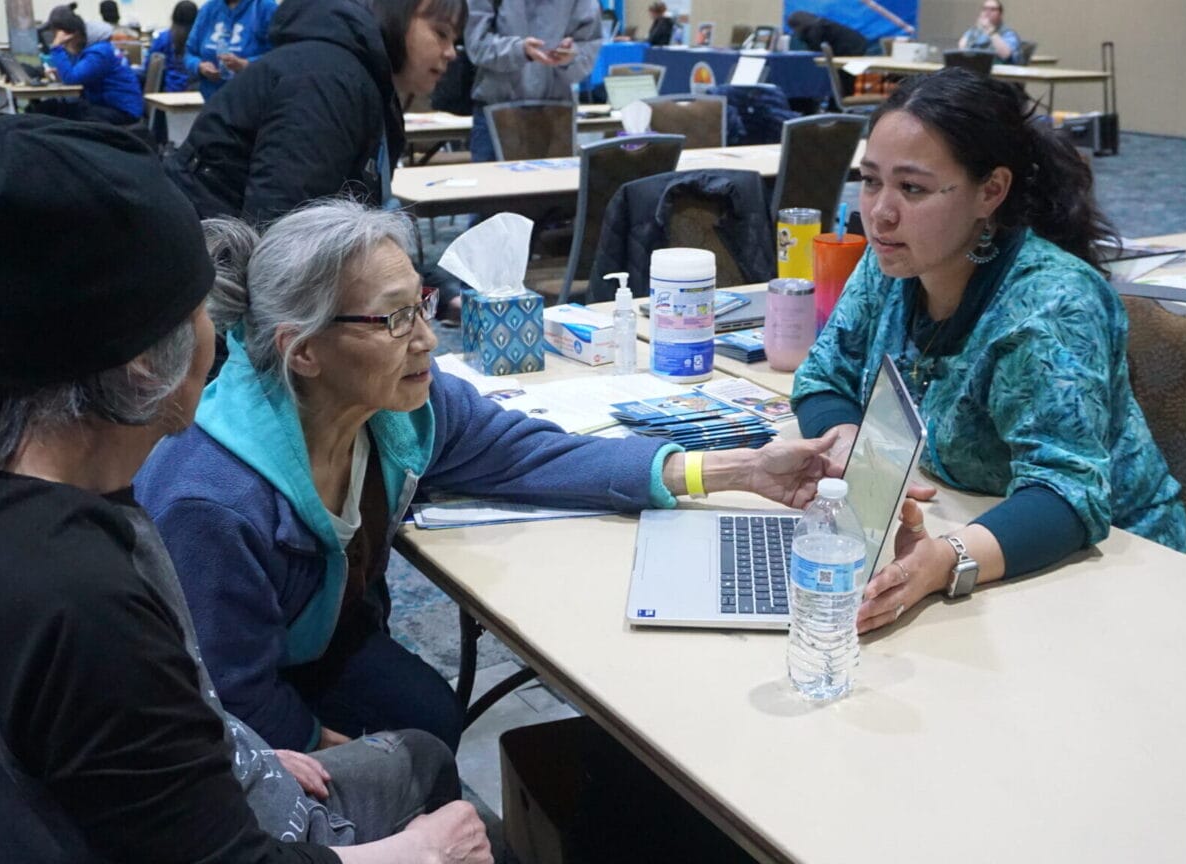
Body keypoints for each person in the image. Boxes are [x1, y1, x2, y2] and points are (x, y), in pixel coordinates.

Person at [0, 115, 490, 864]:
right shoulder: (77, 608)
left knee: (421, 750)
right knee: (449, 808)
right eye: (204, 310)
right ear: (146, 360)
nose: (225, 339)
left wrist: (239, 743)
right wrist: (421, 852)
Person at [133, 199, 839, 754]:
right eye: (396, 318)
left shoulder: (404, 406)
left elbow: (530, 454)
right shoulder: (213, 498)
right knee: (413, 751)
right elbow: (226, 699)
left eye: (424, 305)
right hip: (222, 710)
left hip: (324, 640)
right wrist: (350, 767)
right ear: (304, 351)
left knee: (428, 719)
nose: (428, 339)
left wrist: (739, 469)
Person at [791, 69, 1186, 634]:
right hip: (966, 526)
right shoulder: (897, 261)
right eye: (870, 180)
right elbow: (824, 374)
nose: (879, 212)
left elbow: (1066, 493)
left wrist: (943, 560)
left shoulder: (1051, 305)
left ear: (991, 192)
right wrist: (849, 438)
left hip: (1107, 570)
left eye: (913, 188)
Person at [167, 0, 460, 223]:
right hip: (210, 280)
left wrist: (432, 288)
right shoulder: (327, 79)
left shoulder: (362, 78)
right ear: (396, 15)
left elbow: (366, 218)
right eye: (441, 33)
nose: (451, 52)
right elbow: (283, 235)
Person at [464, 0, 600, 162]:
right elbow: (476, 44)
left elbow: (589, 46)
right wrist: (519, 50)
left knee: (556, 186)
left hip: (555, 113)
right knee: (492, 185)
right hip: (495, 111)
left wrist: (571, 56)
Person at [32, 5, 144, 124]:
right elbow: (76, 75)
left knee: (57, 116)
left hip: (121, 111)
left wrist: (57, 47)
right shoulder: (96, 49)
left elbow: (72, 79)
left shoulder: (99, 52)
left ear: (72, 35)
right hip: (108, 105)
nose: (65, 46)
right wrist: (61, 73)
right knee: (47, 109)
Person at [185, 0, 277, 99]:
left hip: (252, 100)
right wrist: (199, 66)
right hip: (211, 99)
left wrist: (246, 64)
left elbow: (279, 55)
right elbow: (189, 54)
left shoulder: (265, 7)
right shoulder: (208, 8)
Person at [150, 0, 201, 92]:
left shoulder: (162, 38)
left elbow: (149, 68)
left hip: (166, 91)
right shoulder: (200, 41)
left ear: (173, 17)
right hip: (193, 91)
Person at [957, 0, 1022, 64]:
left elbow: (1005, 55)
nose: (987, 12)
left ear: (1000, 14)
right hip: (975, 68)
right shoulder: (974, 31)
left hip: (998, 72)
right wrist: (975, 31)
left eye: (993, 9)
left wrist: (991, 31)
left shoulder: (1009, 34)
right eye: (984, 9)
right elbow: (961, 50)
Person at [785, 10, 870, 57]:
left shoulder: (816, 30)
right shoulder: (821, 24)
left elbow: (815, 52)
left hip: (852, 53)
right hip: (857, 48)